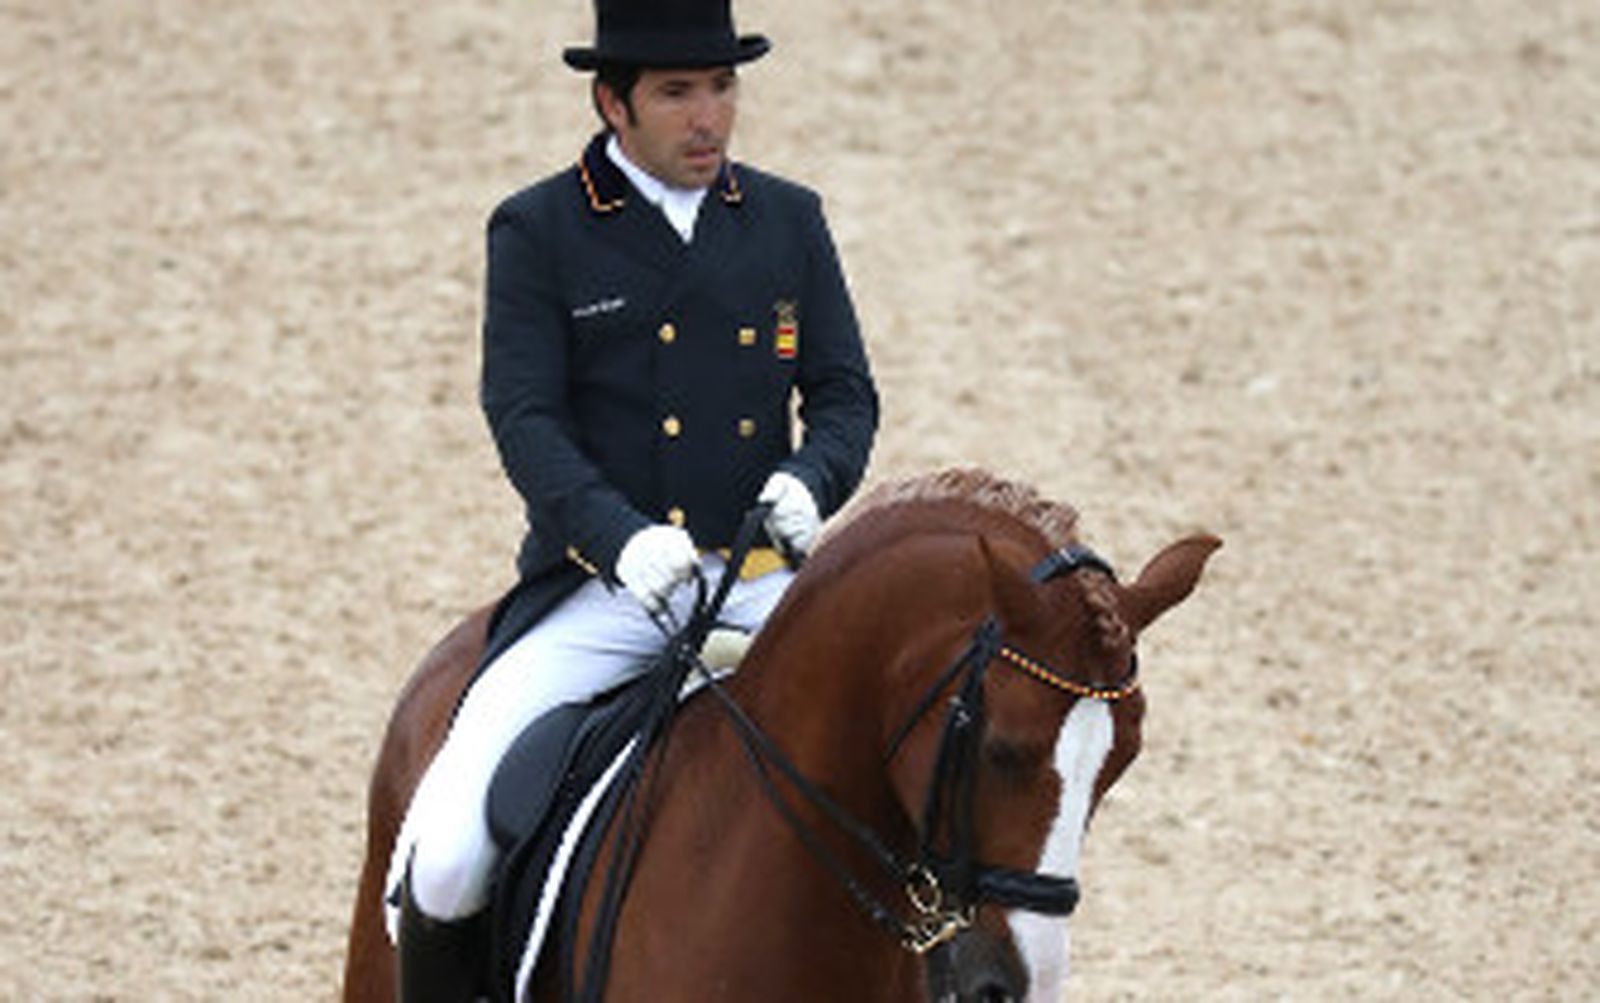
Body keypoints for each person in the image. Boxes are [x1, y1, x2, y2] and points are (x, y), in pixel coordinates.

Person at [389, 0, 878, 997]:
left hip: (758, 578)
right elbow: (524, 416)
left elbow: (842, 394)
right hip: (604, 592)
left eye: (722, 87)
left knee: (913, 773)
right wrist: (618, 540)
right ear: (613, 102)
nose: (709, 119)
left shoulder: (786, 218)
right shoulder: (540, 229)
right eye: (676, 94)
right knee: (443, 856)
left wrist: (808, 478)